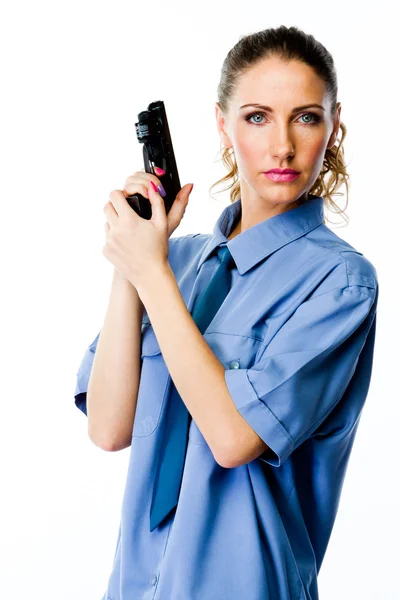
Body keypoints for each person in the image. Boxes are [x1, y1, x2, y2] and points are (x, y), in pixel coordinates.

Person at [74, 25, 379, 600]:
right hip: (136, 584)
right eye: (258, 117)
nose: (282, 145)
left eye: (307, 117)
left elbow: (236, 437)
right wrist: (132, 262)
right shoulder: (175, 263)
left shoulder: (341, 282)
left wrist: (152, 275)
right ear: (223, 125)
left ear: (334, 126)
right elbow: (109, 427)